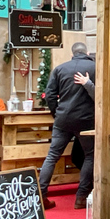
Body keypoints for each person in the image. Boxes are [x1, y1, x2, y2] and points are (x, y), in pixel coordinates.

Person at [39, 42, 95, 210]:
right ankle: (81, 198)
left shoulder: (60, 68)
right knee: (90, 156)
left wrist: (56, 112)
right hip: (87, 119)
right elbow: (101, 94)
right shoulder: (95, 68)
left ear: (72, 53)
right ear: (86, 52)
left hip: (62, 119)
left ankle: (40, 196)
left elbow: (49, 95)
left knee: (52, 156)